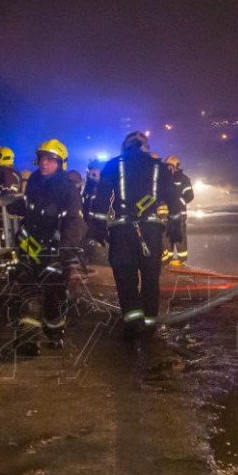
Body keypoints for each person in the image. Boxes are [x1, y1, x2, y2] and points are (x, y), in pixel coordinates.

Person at [88, 131, 177, 339]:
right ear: (144, 146)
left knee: (125, 276)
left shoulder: (114, 164)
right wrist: (176, 224)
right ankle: (149, 324)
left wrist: (98, 225)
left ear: (124, 146)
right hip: (152, 231)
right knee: (150, 277)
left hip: (123, 230)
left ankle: (133, 323)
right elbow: (174, 198)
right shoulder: (158, 166)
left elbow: (101, 198)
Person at [9, 139, 85, 349]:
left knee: (54, 294)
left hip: (54, 251)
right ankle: (27, 341)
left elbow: (73, 223)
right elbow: (33, 208)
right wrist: (19, 206)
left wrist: (63, 254)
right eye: (42, 158)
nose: (44, 163)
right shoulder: (34, 181)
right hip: (30, 247)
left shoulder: (67, 189)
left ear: (60, 163)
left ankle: (54, 332)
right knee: (28, 291)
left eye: (51, 160)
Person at [164, 155, 195, 267]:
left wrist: (179, 201)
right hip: (166, 212)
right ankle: (169, 258)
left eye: (170, 165)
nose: (168, 168)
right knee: (167, 235)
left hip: (180, 213)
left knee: (179, 235)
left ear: (176, 166)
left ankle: (181, 259)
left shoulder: (184, 179)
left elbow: (190, 196)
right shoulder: (164, 179)